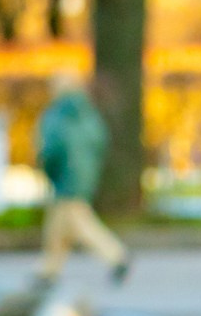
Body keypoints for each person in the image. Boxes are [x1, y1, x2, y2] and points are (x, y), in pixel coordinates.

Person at [34, 76, 130, 278]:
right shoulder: (89, 114)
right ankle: (49, 270)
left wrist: (50, 173)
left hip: (66, 177)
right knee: (58, 227)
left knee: (80, 224)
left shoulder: (57, 116)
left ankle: (117, 256)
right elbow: (100, 143)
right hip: (86, 176)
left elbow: (51, 150)